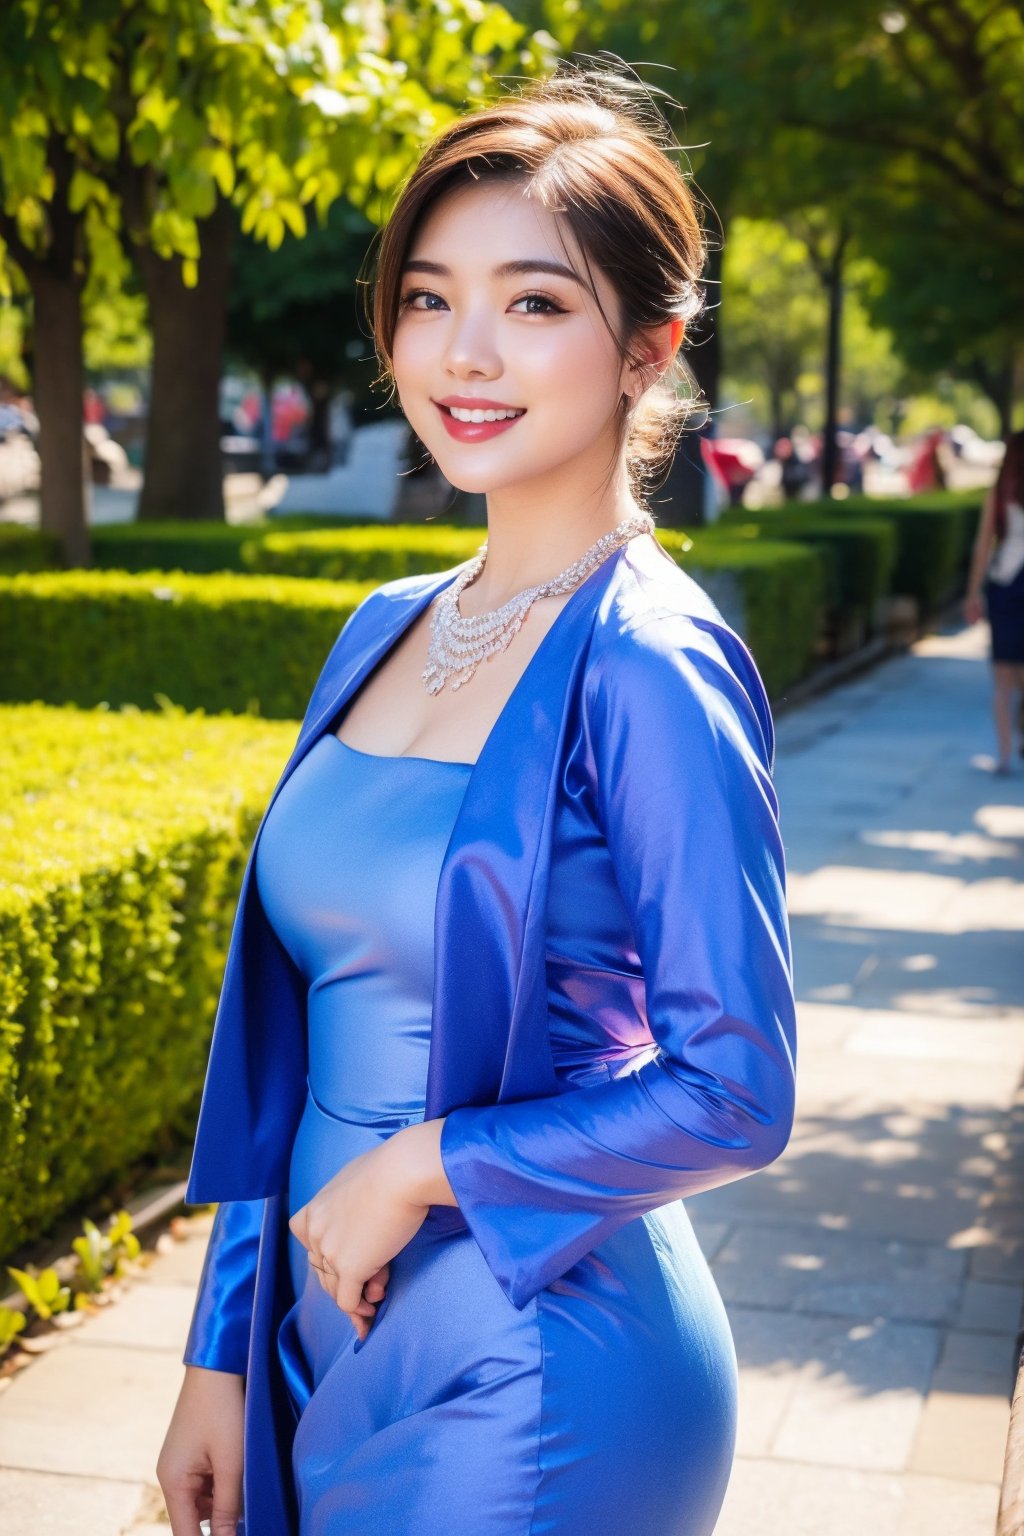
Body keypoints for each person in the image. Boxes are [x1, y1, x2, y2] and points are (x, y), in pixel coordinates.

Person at [157, 59, 797, 1536]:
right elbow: (290, 1044)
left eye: (536, 303)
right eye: (432, 297)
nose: (467, 354)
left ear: (650, 347)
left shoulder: (651, 662)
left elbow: (738, 1085)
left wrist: (428, 1165)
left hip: (540, 1367)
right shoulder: (385, 621)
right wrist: (216, 1352)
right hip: (313, 1348)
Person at [965, 429, 1024, 772]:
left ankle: (1004, 754)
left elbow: (983, 546)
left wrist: (973, 593)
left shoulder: (1000, 493)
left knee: (1002, 679)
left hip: (1005, 584)